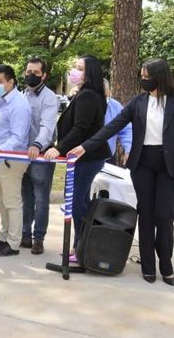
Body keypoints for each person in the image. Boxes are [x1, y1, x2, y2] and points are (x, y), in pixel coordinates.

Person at [69, 59, 174, 286]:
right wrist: (86, 145)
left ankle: (166, 264)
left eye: (148, 77)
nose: (144, 80)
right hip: (143, 163)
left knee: (164, 217)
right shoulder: (138, 102)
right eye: (142, 76)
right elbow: (112, 127)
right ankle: (148, 266)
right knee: (145, 214)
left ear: (161, 77)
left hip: (168, 166)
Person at [45, 55, 111, 262]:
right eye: (75, 67)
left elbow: (80, 128)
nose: (75, 71)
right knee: (78, 200)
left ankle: (81, 246)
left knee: (75, 202)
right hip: (83, 157)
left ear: (89, 72)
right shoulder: (85, 94)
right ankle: (81, 245)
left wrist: (60, 148)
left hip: (87, 157)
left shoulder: (89, 96)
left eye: (80, 68)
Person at [0, 64, 31, 257]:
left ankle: (13, 243)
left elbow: (17, 137)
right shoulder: (2, 100)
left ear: (10, 82)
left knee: (12, 202)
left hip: (10, 160)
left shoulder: (18, 104)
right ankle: (4, 236)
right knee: (1, 200)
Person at [20, 57, 58, 255]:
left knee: (41, 198)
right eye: (28, 71)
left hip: (41, 154)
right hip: (22, 154)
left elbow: (47, 126)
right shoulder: (23, 94)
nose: (30, 75)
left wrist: (37, 144)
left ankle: (38, 238)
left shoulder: (49, 97)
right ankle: (25, 234)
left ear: (44, 75)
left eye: (35, 73)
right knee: (25, 197)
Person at [103, 78, 132, 166]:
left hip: (107, 157)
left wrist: (128, 149)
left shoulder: (114, 106)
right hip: (84, 158)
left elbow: (126, 129)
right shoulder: (82, 104)